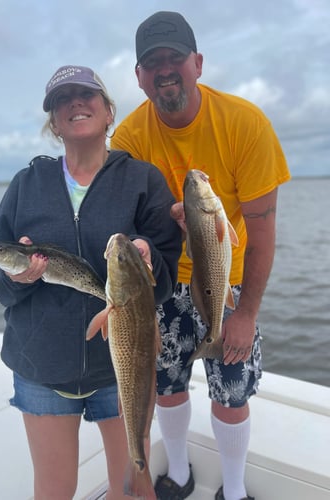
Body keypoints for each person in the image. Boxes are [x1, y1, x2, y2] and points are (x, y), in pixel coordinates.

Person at [111, 11, 291, 500]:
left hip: (225, 283)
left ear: (198, 63)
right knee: (165, 386)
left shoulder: (244, 123)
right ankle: (181, 475)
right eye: (153, 62)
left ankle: (232, 491)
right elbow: (130, 221)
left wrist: (246, 312)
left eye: (175, 58)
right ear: (140, 77)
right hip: (165, 282)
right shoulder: (127, 138)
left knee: (231, 394)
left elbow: (262, 225)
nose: (165, 69)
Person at [0, 64, 182, 500]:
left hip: (122, 366)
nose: (76, 103)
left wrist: (149, 258)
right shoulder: (26, 184)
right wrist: (21, 279)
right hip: (43, 366)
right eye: (63, 99)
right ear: (54, 123)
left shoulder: (142, 180)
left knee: (134, 486)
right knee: (53, 491)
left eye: (86, 95)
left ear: (109, 111)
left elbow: (167, 274)